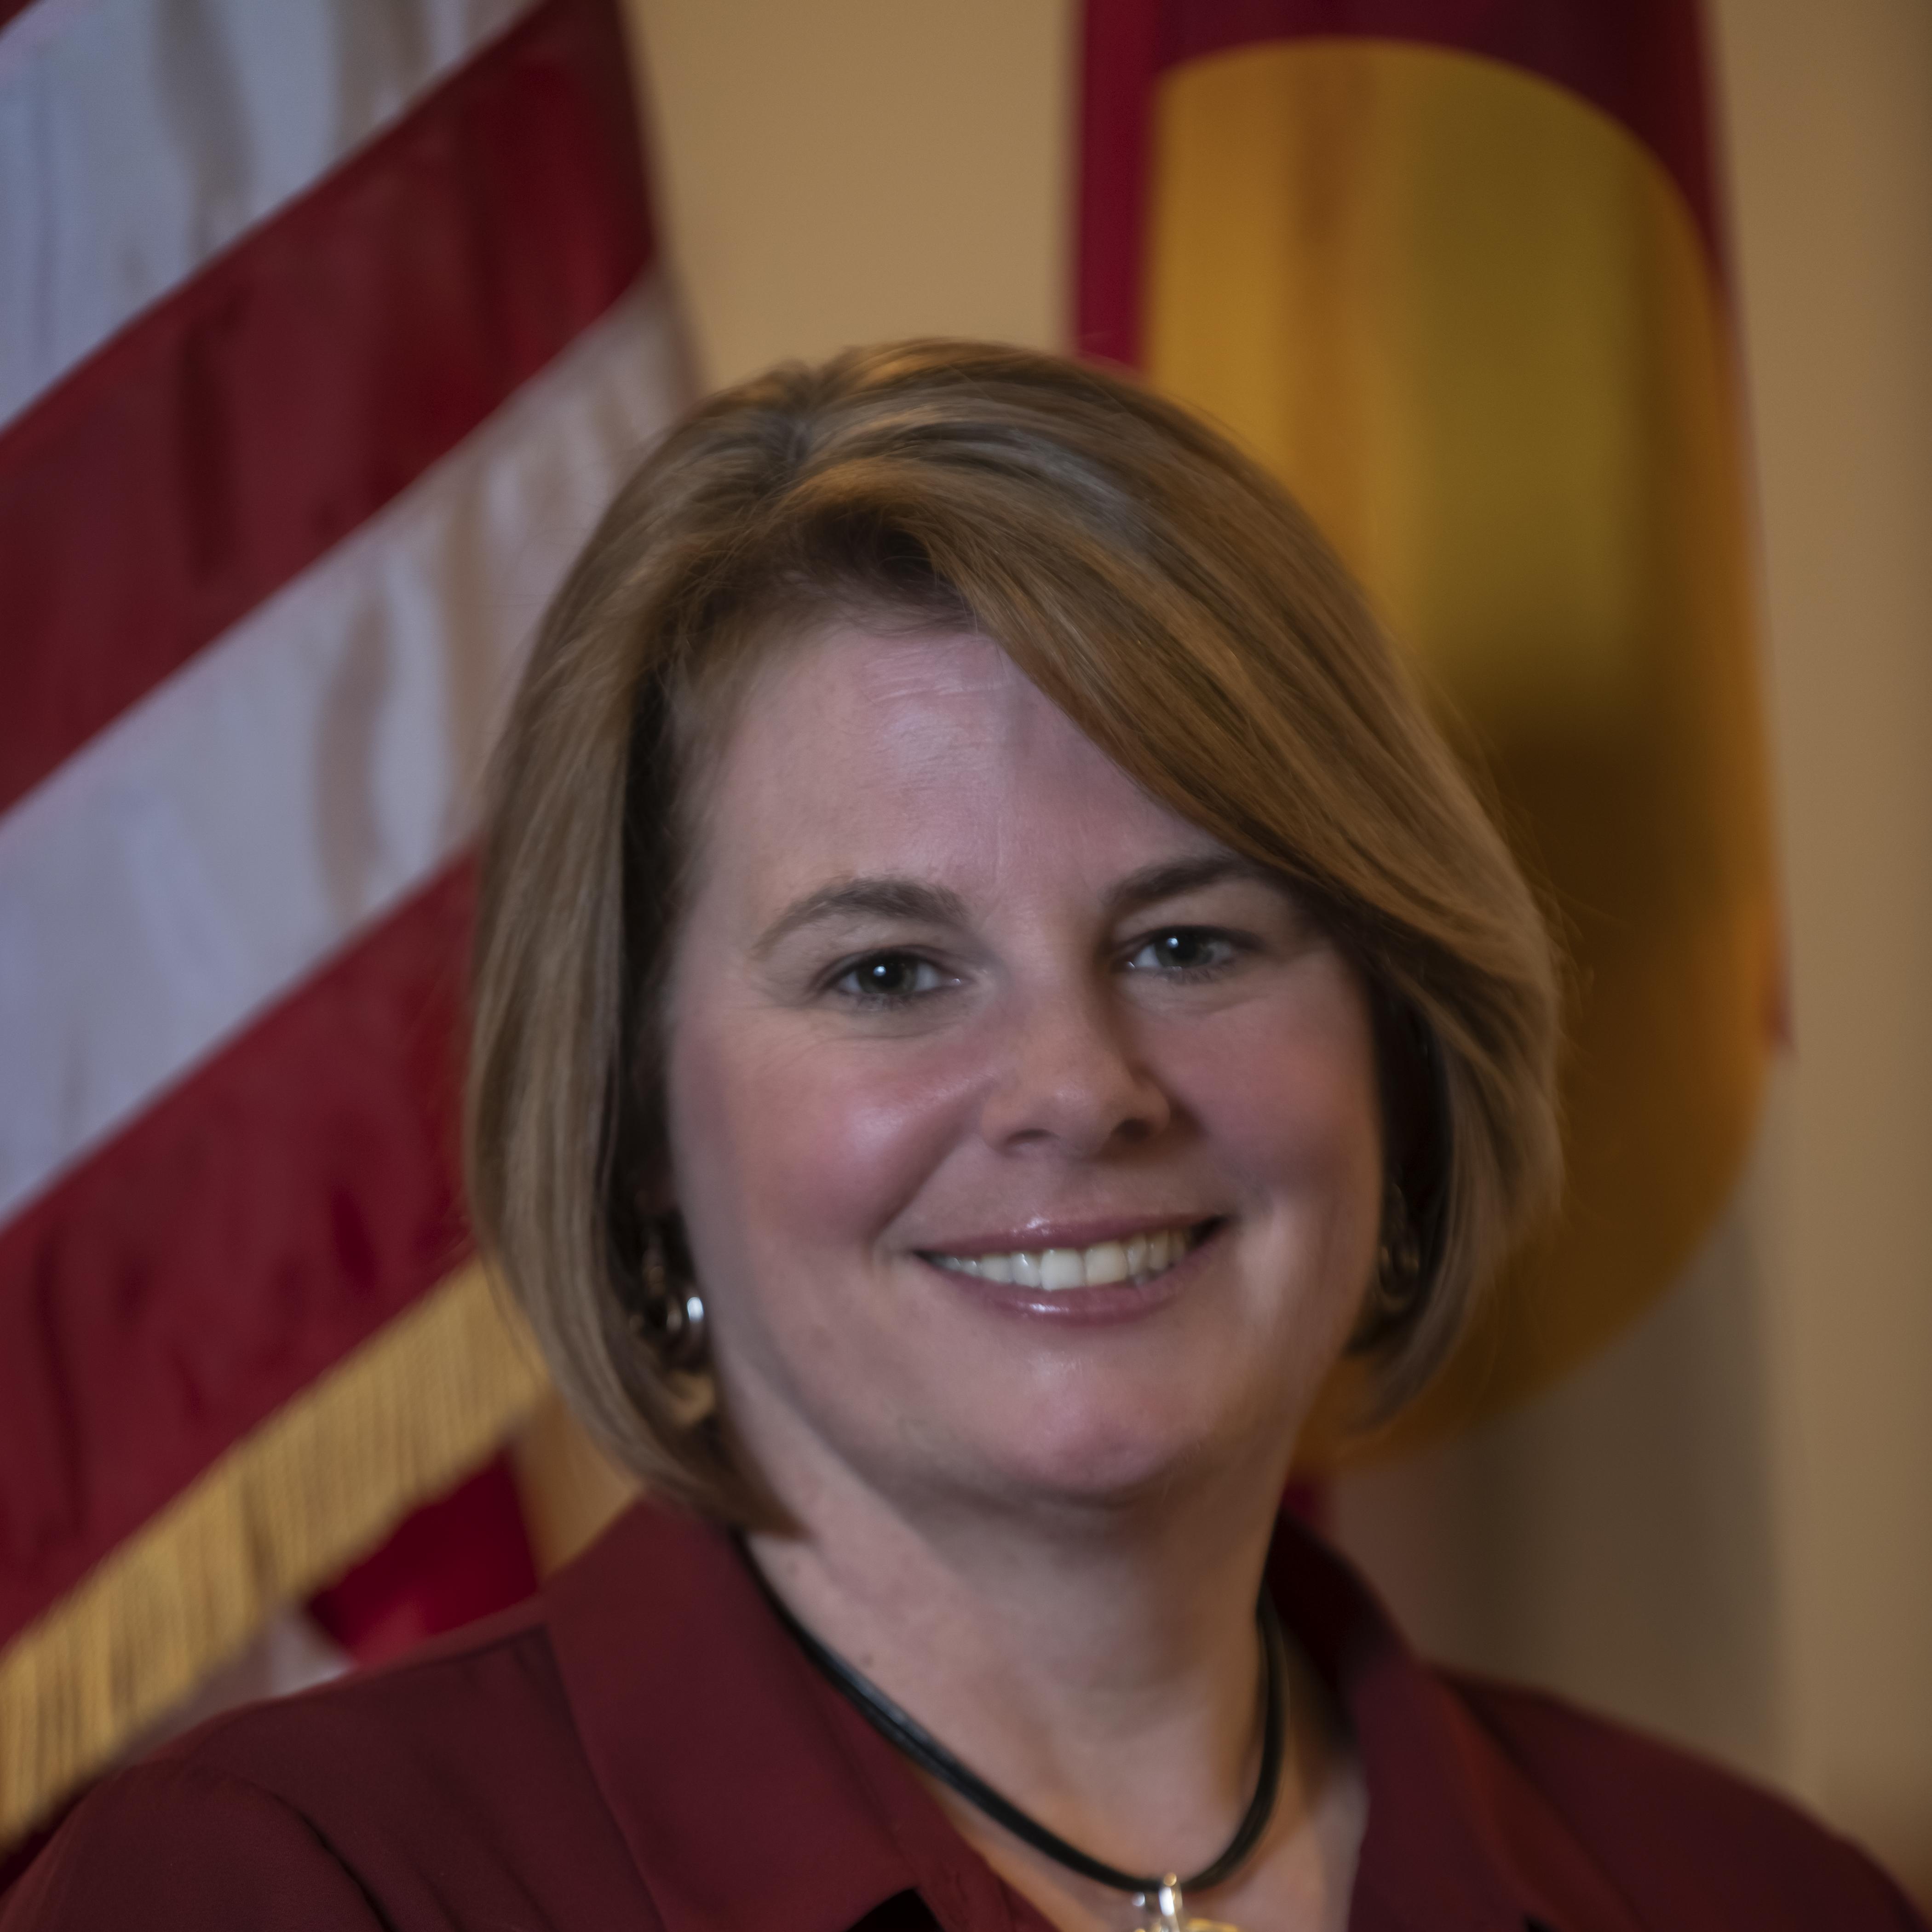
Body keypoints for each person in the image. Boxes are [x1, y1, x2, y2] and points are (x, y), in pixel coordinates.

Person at [6, 344, 1922, 1932]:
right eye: (888, 975)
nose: (1083, 1087)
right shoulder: (282, 1892)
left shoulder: (1754, 1900)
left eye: (1192, 940)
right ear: (639, 1125)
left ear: (1396, 1050)